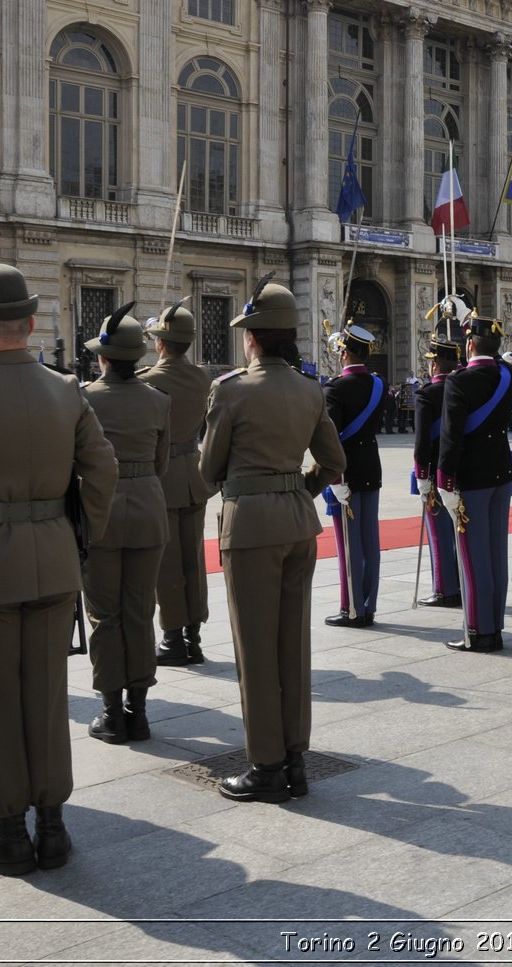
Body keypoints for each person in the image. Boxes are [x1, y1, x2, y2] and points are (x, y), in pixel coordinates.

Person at [0, 261, 117, 872]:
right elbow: (104, 468)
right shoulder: (66, 389)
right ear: (32, 325)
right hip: (53, 557)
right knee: (45, 694)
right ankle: (54, 827)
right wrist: (81, 531)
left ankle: (11, 833)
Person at [200, 276, 345, 803]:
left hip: (251, 527)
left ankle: (265, 765)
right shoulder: (310, 390)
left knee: (255, 650)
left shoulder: (231, 389)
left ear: (254, 337)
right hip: (297, 523)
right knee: (292, 645)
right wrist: (297, 488)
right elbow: (334, 461)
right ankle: (296, 758)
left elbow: (207, 468)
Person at [80, 305, 171, 745]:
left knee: (104, 614)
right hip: (149, 510)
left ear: (102, 357)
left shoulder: (84, 398)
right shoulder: (158, 400)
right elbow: (161, 462)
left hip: (100, 514)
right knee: (140, 610)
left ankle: (111, 712)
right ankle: (139, 711)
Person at [436, 315, 512, 654]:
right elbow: (504, 364)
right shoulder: (509, 376)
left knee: (473, 557)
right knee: (496, 555)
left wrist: (444, 479)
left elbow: (450, 437)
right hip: (500, 473)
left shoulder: (459, 382)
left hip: (470, 479)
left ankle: (477, 630)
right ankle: (494, 626)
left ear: (469, 344)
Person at [141, 302, 214, 667]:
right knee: (193, 559)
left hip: (163, 475)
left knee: (168, 564)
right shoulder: (202, 377)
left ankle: (172, 638)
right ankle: (194, 636)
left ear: (161, 343)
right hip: (193, 474)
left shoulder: (148, 381)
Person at [322, 324, 391, 628]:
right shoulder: (378, 384)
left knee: (349, 543)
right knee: (370, 540)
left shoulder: (335, 388)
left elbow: (330, 439)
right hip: (370, 466)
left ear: (346, 353)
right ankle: (369, 604)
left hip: (346, 472)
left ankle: (352, 609)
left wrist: (335, 479)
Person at [412, 326, 462, 608]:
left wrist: (421, 475)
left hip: (434, 472)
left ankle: (445, 589)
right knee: (459, 531)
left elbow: (421, 442)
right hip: (459, 468)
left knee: (439, 532)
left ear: (434, 364)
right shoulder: (462, 389)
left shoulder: (427, 394)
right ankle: (460, 581)